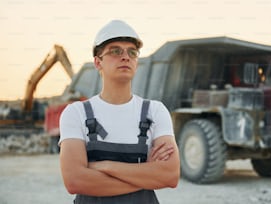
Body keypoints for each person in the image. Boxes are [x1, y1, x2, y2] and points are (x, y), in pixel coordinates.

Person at [59, 19, 180, 204]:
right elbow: (75, 181)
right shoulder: (76, 113)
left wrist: (104, 166)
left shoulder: (155, 111)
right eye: (115, 51)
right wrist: (148, 175)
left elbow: (170, 176)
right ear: (98, 63)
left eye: (132, 52)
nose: (126, 57)